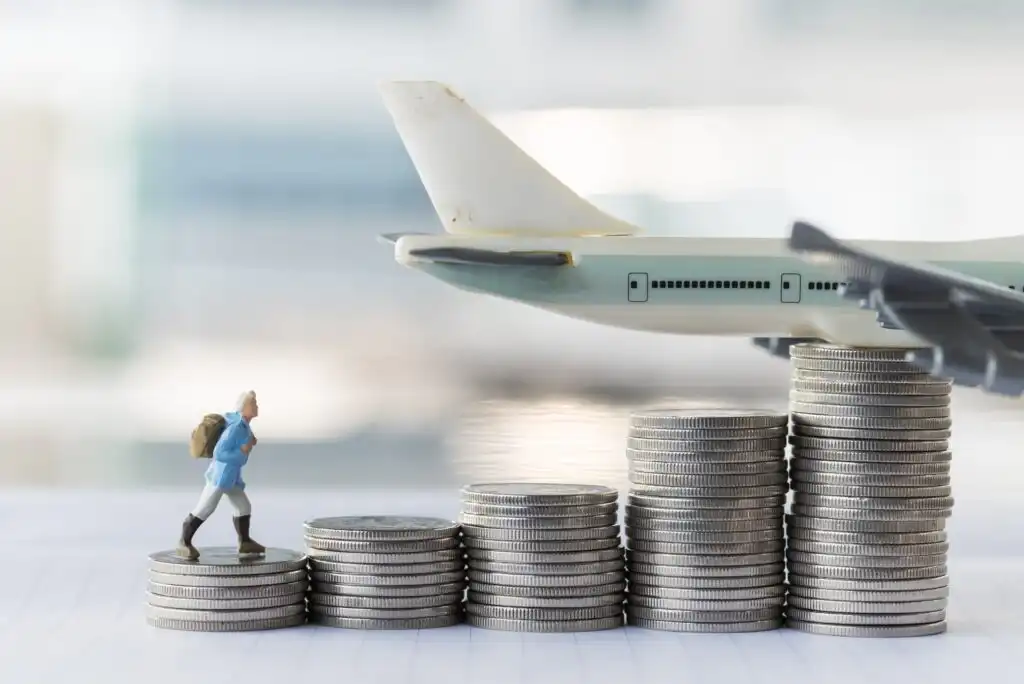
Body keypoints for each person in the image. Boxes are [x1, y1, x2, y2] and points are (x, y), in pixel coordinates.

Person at [176, 390, 266, 560]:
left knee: (243, 506)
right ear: (244, 407)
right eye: (253, 404)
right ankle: (184, 541)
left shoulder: (244, 426)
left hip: (231, 478)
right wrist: (242, 451)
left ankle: (245, 543)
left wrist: (249, 442)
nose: (256, 406)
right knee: (205, 508)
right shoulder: (236, 428)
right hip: (220, 477)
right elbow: (220, 453)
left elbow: (244, 442)